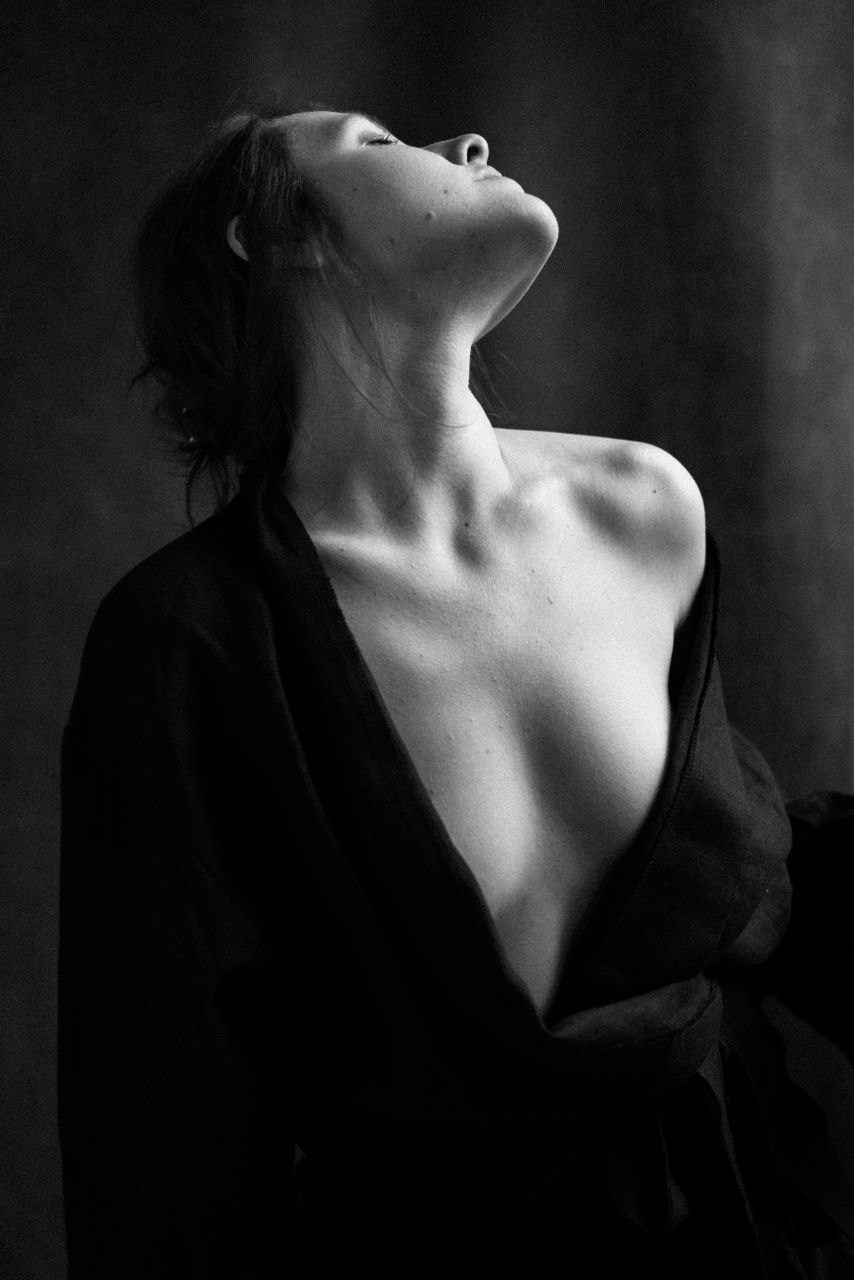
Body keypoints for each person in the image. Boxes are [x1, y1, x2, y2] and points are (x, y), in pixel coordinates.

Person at [58, 105, 854, 1278]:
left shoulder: (645, 509)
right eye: (376, 144)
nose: (467, 147)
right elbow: (163, 1112)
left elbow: (744, 877)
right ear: (273, 237)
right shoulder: (187, 637)